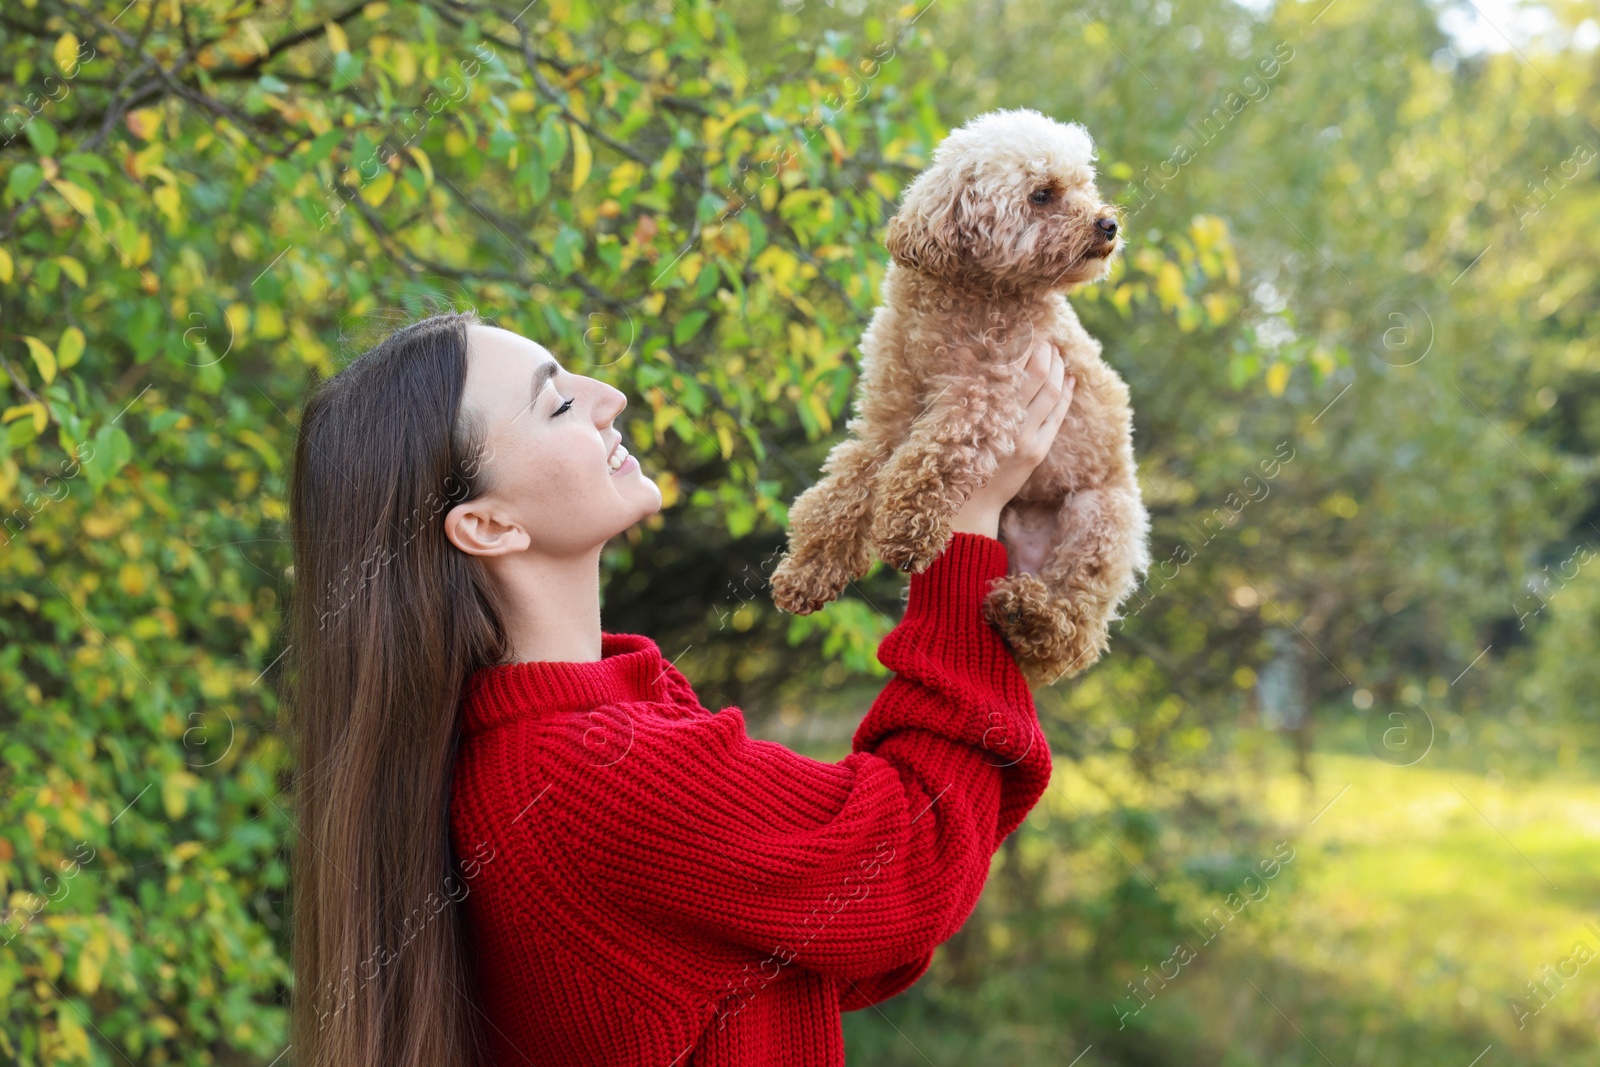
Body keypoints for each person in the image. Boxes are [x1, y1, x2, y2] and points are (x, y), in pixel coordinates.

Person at [285, 308, 1075, 1067]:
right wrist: (964, 525)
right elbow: (907, 858)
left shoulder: (563, 737)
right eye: (558, 402)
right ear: (488, 526)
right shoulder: (588, 771)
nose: (609, 397)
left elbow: (828, 941)